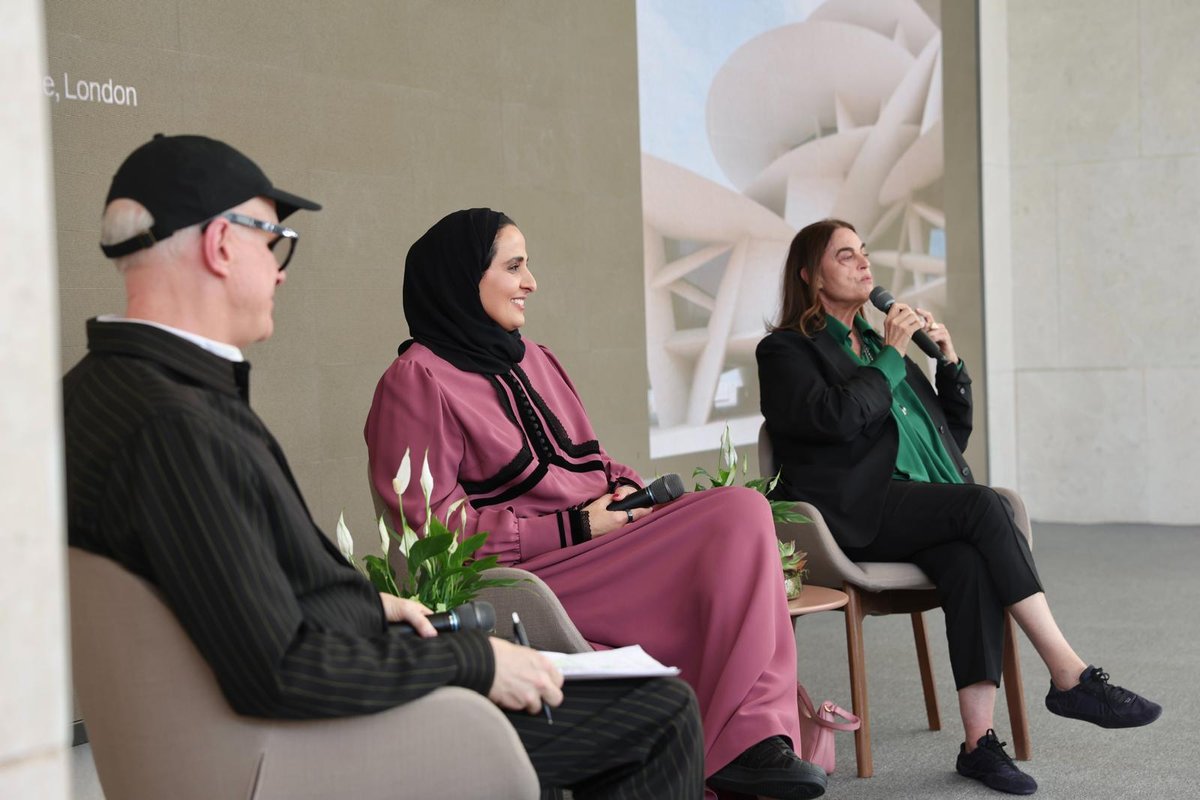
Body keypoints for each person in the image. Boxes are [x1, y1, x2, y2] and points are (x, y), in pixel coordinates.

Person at [64, 134, 705, 800]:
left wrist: (368, 605)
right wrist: (475, 662)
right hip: (281, 749)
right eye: (273, 243)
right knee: (658, 715)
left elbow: (232, 591)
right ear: (221, 244)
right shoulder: (177, 426)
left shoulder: (102, 393)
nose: (280, 271)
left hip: (233, 736)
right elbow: (279, 667)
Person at [364, 209, 828, 800]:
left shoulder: (537, 358)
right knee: (737, 511)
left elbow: (594, 461)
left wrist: (632, 495)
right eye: (514, 266)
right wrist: (571, 527)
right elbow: (432, 532)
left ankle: (750, 743)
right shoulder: (415, 379)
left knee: (737, 519)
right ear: (462, 279)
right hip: (530, 578)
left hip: (604, 550)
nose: (531, 281)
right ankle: (746, 744)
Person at [755, 218, 1163, 795]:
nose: (864, 265)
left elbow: (947, 439)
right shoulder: (787, 350)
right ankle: (1069, 675)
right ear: (808, 275)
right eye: (846, 256)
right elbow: (835, 419)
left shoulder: (874, 346)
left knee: (968, 560)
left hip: (911, 507)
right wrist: (893, 359)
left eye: (865, 253)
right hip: (850, 517)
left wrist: (948, 366)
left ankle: (979, 745)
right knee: (984, 506)